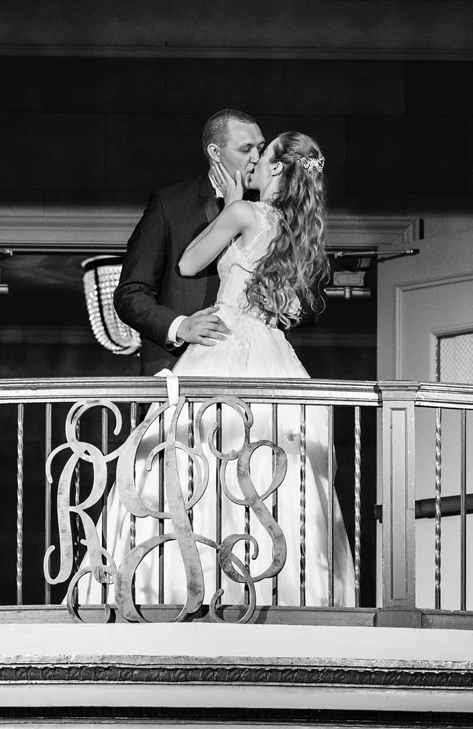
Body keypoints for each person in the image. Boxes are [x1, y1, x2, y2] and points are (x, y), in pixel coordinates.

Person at [77, 131, 357, 613]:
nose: (254, 161)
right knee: (271, 467)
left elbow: (188, 264)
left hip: (223, 344)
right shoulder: (304, 233)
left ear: (275, 169)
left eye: (263, 154)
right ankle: (279, 591)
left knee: (192, 454)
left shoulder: (244, 212)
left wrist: (231, 204)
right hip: (275, 354)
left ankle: (175, 586)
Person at [112, 109, 264, 374]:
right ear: (215, 152)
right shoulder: (169, 205)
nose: (256, 158)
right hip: (178, 368)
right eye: (246, 149)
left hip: (253, 366)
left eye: (260, 148)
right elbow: (131, 293)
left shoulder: (267, 211)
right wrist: (180, 326)